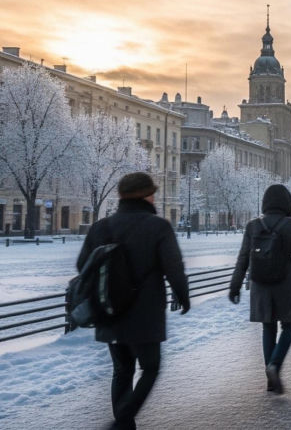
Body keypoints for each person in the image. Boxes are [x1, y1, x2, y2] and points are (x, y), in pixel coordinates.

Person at [77, 172, 190, 430]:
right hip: (145, 314)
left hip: (109, 310)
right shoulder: (158, 226)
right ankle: (123, 421)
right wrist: (182, 296)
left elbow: (83, 265)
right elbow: (174, 268)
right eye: (152, 193)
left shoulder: (101, 227)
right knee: (150, 368)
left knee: (122, 370)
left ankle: (124, 424)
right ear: (146, 196)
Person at [229, 184, 291, 394]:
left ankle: (270, 379)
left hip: (260, 285)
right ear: (288, 204)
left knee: (268, 327)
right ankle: (275, 365)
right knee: (289, 326)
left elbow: (243, 258)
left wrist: (235, 286)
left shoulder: (253, 226)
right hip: (285, 285)